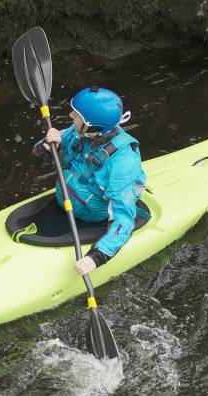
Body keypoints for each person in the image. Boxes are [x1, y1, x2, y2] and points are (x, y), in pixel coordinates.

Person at [37, 86, 147, 275]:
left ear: (93, 127)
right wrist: (48, 145)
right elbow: (42, 154)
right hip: (67, 198)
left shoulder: (123, 164)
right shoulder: (81, 131)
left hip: (94, 214)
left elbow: (124, 220)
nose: (71, 115)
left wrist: (97, 256)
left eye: (77, 115)